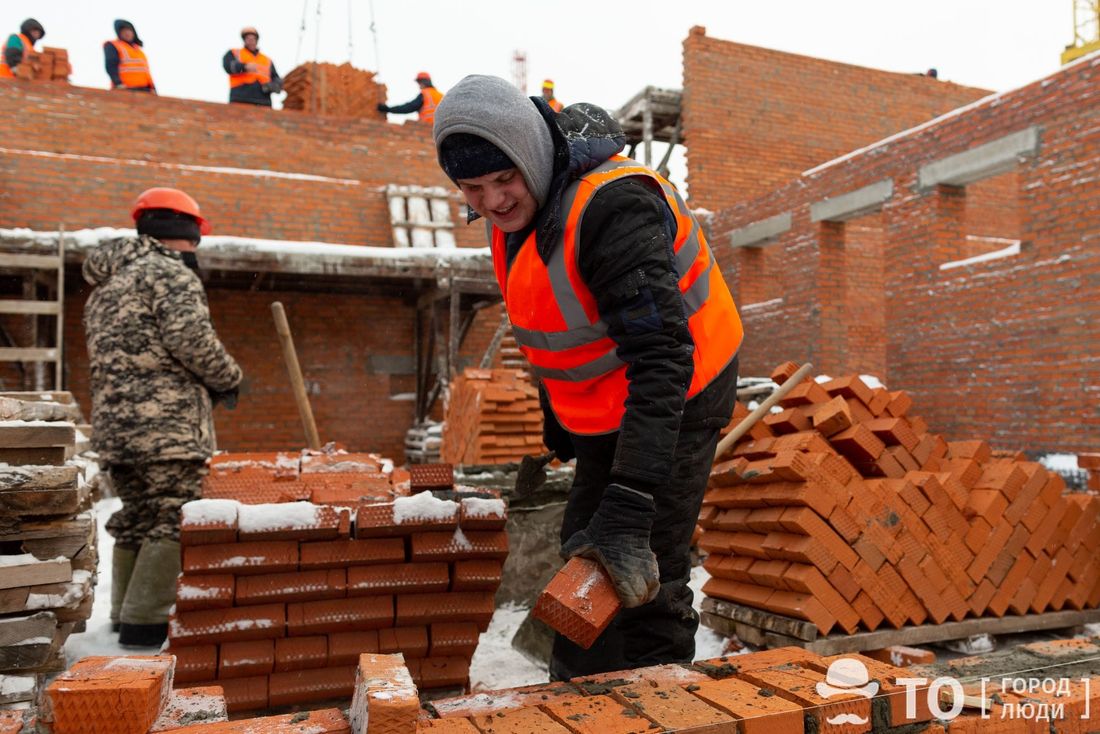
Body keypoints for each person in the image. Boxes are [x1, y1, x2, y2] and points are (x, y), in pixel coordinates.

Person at [433, 75, 743, 678]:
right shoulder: (513, 221)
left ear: (533, 156)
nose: (493, 202)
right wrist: (562, 418)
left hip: (682, 388)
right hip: (614, 400)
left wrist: (631, 499)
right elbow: (554, 319)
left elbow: (663, 357)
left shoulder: (613, 209)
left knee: (644, 557)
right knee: (586, 542)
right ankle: (582, 691)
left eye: (504, 180)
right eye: (473, 188)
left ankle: (661, 699)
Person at [83, 187, 242, 646]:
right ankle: (147, 623)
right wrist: (229, 377)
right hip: (165, 429)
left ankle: (122, 616)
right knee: (172, 515)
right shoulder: (169, 274)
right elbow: (192, 341)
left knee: (136, 516)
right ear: (182, 233)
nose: (196, 249)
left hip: (116, 431)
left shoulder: (108, 284)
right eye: (195, 239)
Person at [223, 26, 282, 107]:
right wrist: (244, 67)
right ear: (244, 40)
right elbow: (228, 66)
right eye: (248, 38)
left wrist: (273, 86)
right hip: (240, 99)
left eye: (253, 38)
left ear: (256, 40)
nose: (251, 41)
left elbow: (276, 78)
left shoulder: (267, 60)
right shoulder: (234, 53)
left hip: (263, 102)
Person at [104, 19, 154, 93]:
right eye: (123, 31)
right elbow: (111, 66)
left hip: (145, 90)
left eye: (129, 30)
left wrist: (153, 88)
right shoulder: (113, 45)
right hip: (126, 89)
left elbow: (146, 72)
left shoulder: (138, 50)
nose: (127, 33)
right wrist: (118, 84)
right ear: (119, 33)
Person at [377, 71, 443, 124]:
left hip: (428, 128)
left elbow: (409, 107)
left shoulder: (426, 94)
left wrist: (388, 109)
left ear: (422, 82)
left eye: (419, 82)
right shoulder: (441, 95)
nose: (419, 85)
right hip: (441, 129)